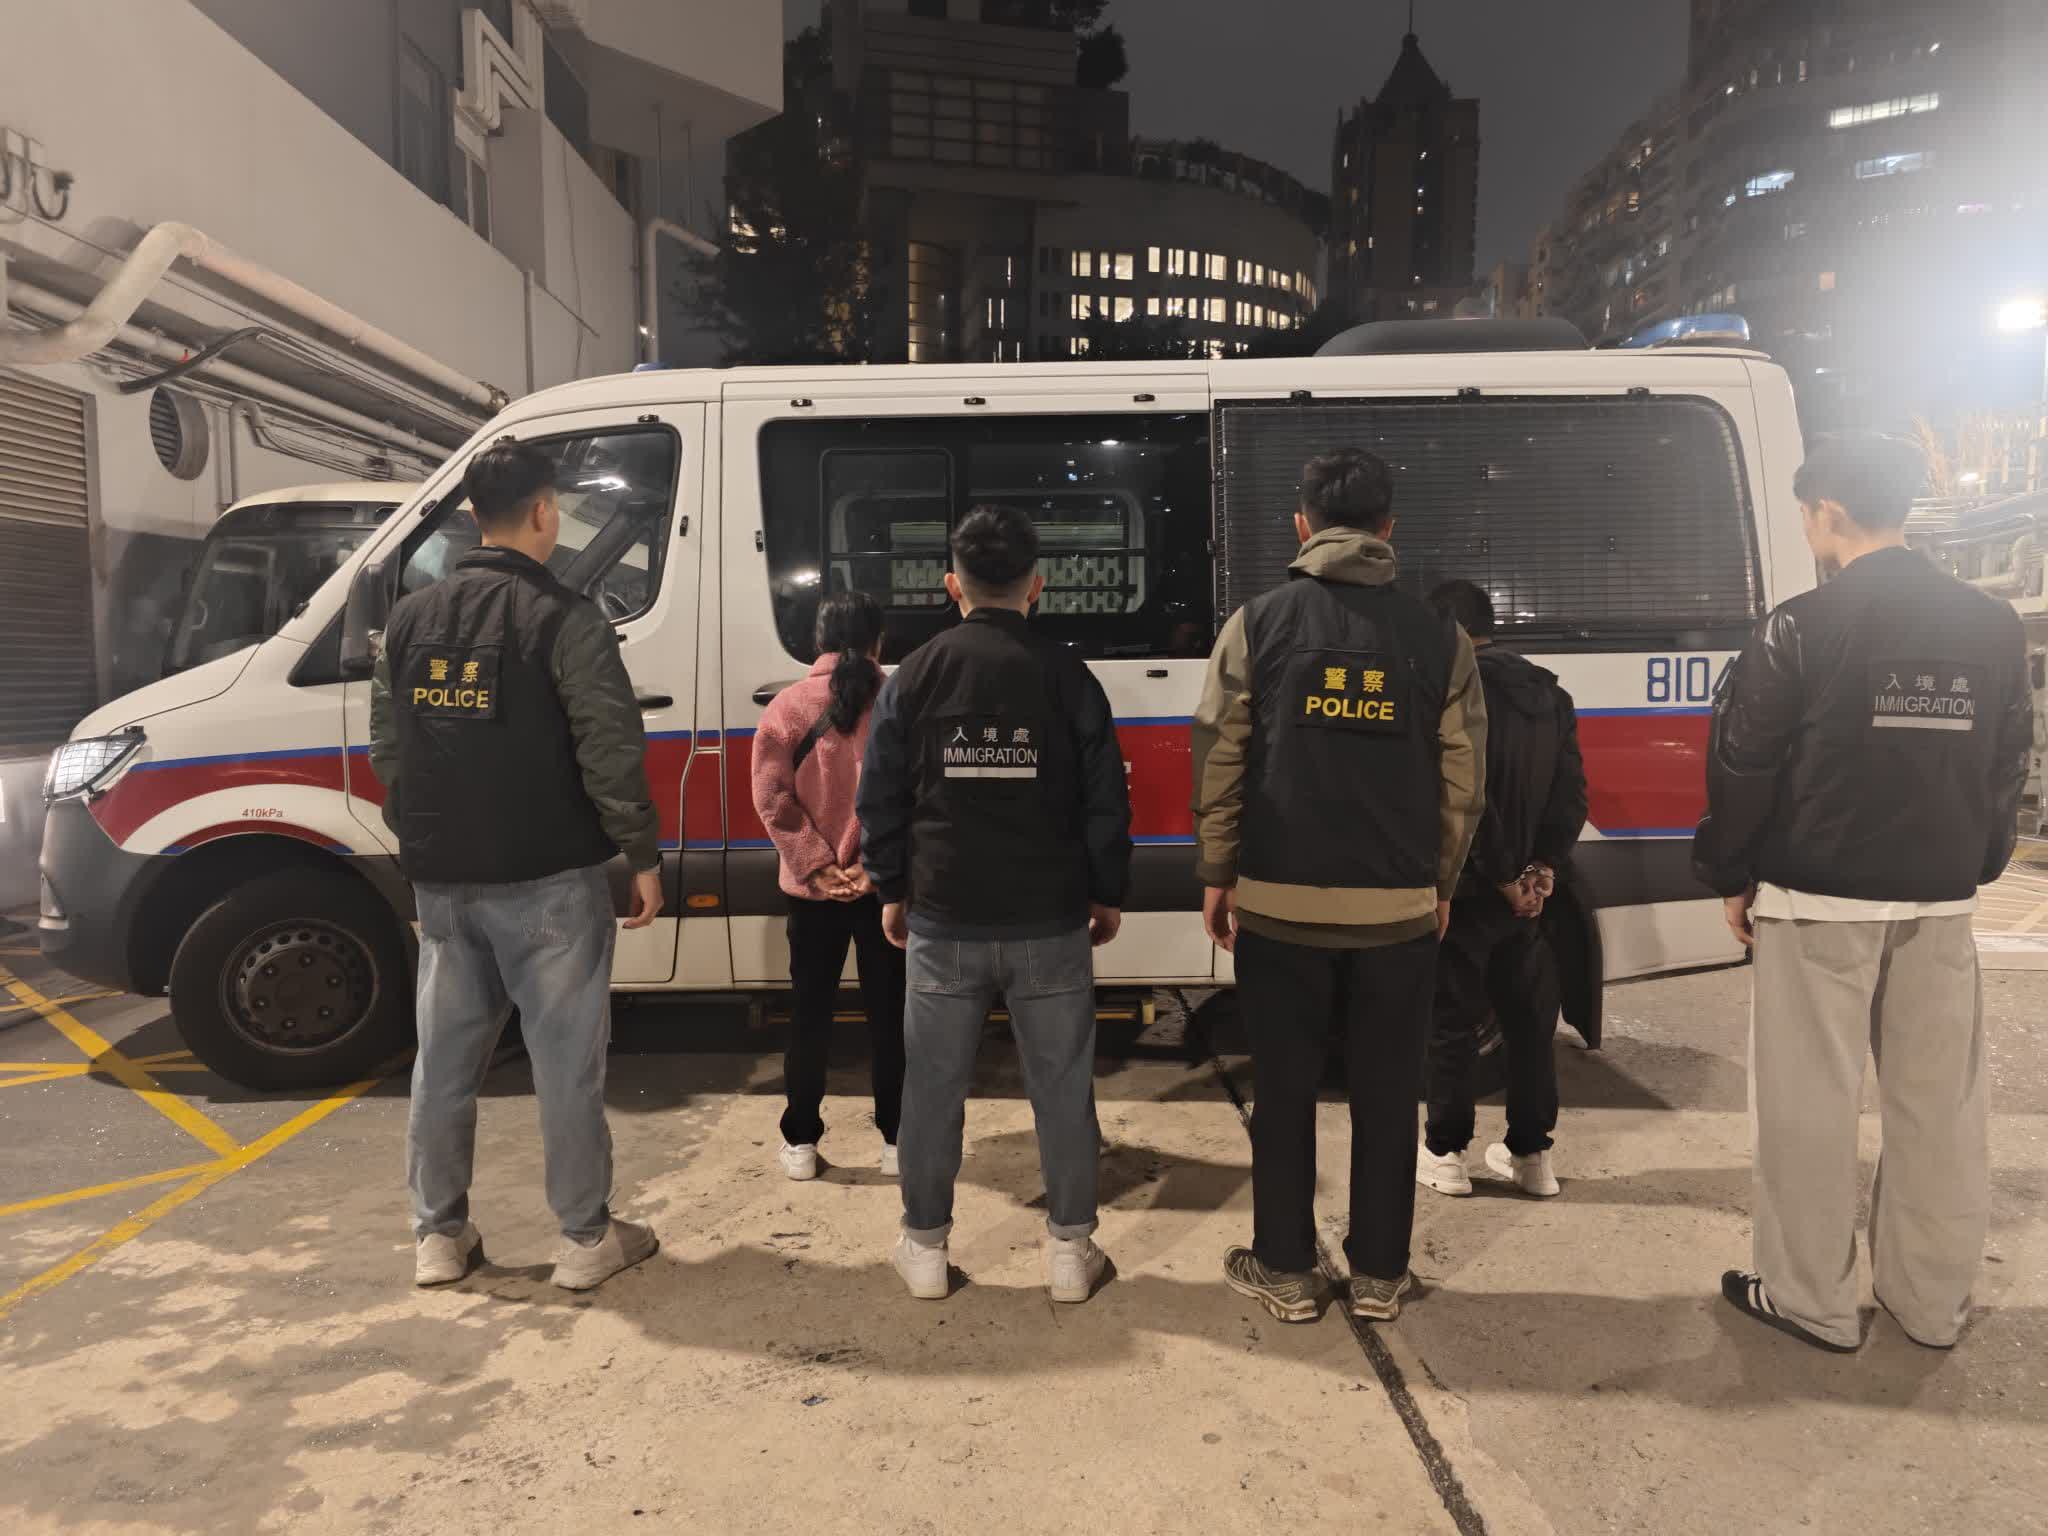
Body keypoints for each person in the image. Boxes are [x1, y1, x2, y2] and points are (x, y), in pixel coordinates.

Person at [1694, 434, 2033, 1353]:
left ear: (1830, 511)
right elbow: (2008, 761)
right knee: (1940, 1108)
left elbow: (1745, 765)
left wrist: (1730, 874)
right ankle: (1930, 1303)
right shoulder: (1992, 626)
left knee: (1807, 1104)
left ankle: (1810, 1299)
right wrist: (1976, 862)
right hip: (1939, 903)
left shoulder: (1798, 626)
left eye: (1807, 513)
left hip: (1816, 899)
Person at [1193, 449, 1487, 1324]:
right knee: (1388, 1093)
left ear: (1302, 525)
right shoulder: (1442, 640)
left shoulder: (1257, 624)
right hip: (1397, 913)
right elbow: (1463, 782)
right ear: (1388, 528)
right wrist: (1440, 883)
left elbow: (1220, 755)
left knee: (1284, 1090)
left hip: (1278, 906)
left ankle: (1285, 1269)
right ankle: (1380, 1274)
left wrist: (1218, 870)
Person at [371, 438, 662, 1292]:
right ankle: (584, 1240)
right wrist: (640, 854)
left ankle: (438, 1236)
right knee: (566, 1065)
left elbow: (391, 749)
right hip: (549, 880)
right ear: (545, 511)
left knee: (443, 1064)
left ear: (471, 515)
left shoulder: (410, 622)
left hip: (443, 880)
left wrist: (424, 832)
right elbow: (609, 749)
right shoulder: (567, 620)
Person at [858, 504, 1133, 1305]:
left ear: (954, 585)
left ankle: (924, 1248)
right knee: (1062, 1087)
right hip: (1050, 919)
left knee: (932, 1088)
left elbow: (880, 797)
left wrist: (891, 887)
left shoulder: (915, 674)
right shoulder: (1068, 676)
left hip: (944, 917)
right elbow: (1105, 799)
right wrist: (1106, 892)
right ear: (1036, 586)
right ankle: (1070, 1253)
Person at [1418, 580, 1587, 1200]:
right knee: (1530, 1025)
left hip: (1467, 892)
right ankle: (1532, 1157)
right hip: (1529, 898)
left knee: (1451, 1023)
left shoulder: (1450, 692)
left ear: (1447, 632)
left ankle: (1446, 1154)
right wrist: (1542, 868)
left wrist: (1501, 877)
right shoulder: (1550, 694)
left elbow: (1467, 799)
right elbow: (1570, 794)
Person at [751, 590, 907, 1182]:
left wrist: (815, 864)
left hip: (810, 894)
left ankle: (800, 1141)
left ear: (817, 641)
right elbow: (916, 795)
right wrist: (874, 866)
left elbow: (772, 798)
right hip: (882, 892)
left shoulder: (787, 707)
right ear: (878, 642)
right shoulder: (900, 701)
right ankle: (897, 1139)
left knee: (808, 1015)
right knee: (891, 1016)